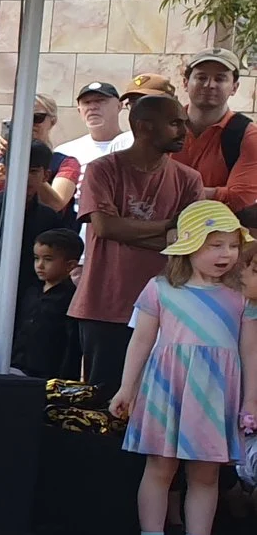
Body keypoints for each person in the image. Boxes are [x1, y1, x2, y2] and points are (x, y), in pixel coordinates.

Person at [111, 201, 257, 535]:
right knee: (160, 467)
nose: (226, 254)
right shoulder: (160, 289)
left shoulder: (242, 297)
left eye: (231, 245)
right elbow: (141, 341)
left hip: (215, 394)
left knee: (206, 474)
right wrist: (128, 387)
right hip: (167, 389)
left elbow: (251, 350)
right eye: (215, 245)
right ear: (189, 246)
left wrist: (251, 399)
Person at [73, 93, 204, 396]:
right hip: (105, 306)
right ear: (144, 126)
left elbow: (189, 240)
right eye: (175, 123)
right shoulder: (102, 169)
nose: (185, 131)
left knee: (157, 407)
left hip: (167, 310)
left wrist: (136, 230)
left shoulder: (189, 179)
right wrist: (168, 227)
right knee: (103, 406)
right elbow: (106, 226)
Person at [0, 141, 69, 349]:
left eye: (33, 171)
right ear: (6, 170)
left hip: (30, 313)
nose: (24, 177)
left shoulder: (48, 218)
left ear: (45, 176)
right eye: (18, 168)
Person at [173, 50, 257, 219]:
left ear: (234, 87)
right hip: (157, 235)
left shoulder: (247, 135)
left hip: (216, 238)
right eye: (201, 77)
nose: (209, 85)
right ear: (185, 82)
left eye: (220, 78)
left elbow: (240, 198)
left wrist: (171, 192)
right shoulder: (162, 126)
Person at [0, 93, 80, 216]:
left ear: (53, 121)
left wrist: (22, 161)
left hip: (41, 231)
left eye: (37, 117)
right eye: (22, 117)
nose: (28, 123)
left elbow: (56, 204)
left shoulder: (65, 163)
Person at [14, 228, 82, 381]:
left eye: (48, 259)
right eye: (36, 258)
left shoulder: (71, 298)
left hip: (49, 375)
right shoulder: (30, 291)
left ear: (70, 265)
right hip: (17, 365)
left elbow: (71, 345)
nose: (40, 265)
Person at [56, 81, 128, 172]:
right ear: (79, 111)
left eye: (100, 100)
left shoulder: (135, 146)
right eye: (87, 102)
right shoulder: (64, 153)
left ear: (119, 106)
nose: (93, 107)